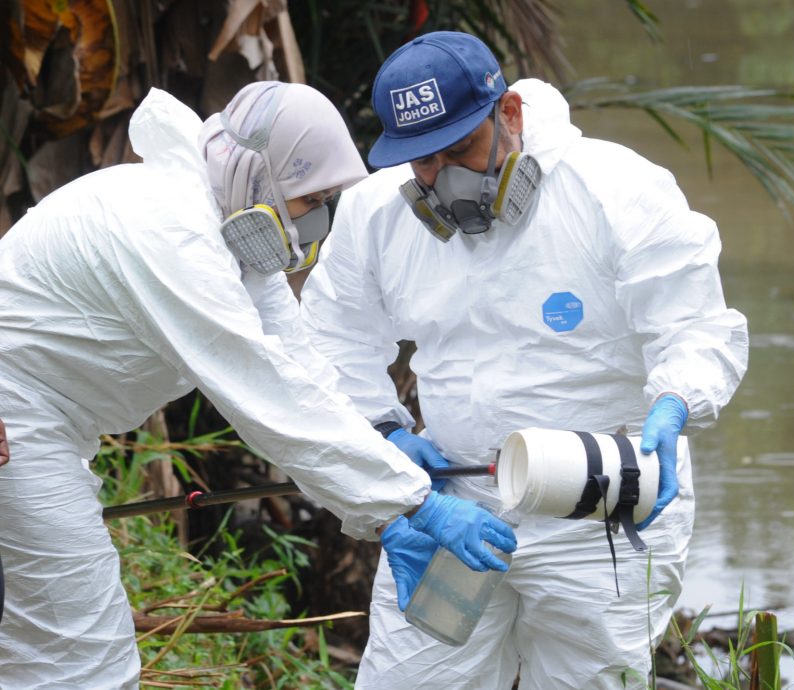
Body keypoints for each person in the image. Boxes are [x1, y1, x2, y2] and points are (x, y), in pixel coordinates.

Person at [0, 80, 516, 688]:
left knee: (49, 652)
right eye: (311, 198)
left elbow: (301, 377)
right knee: (83, 657)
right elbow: (266, 402)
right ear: (257, 177)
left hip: (49, 426)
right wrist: (414, 501)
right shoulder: (170, 231)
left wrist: (383, 491)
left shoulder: (229, 238)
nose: (318, 220)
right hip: (17, 422)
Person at [299, 31, 749, 689]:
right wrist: (385, 432)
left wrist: (677, 399)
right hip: (454, 507)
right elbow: (330, 341)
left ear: (507, 114)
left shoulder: (614, 189)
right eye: (422, 161)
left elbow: (694, 325)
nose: (440, 179)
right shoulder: (376, 214)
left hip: (597, 505)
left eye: (460, 150)